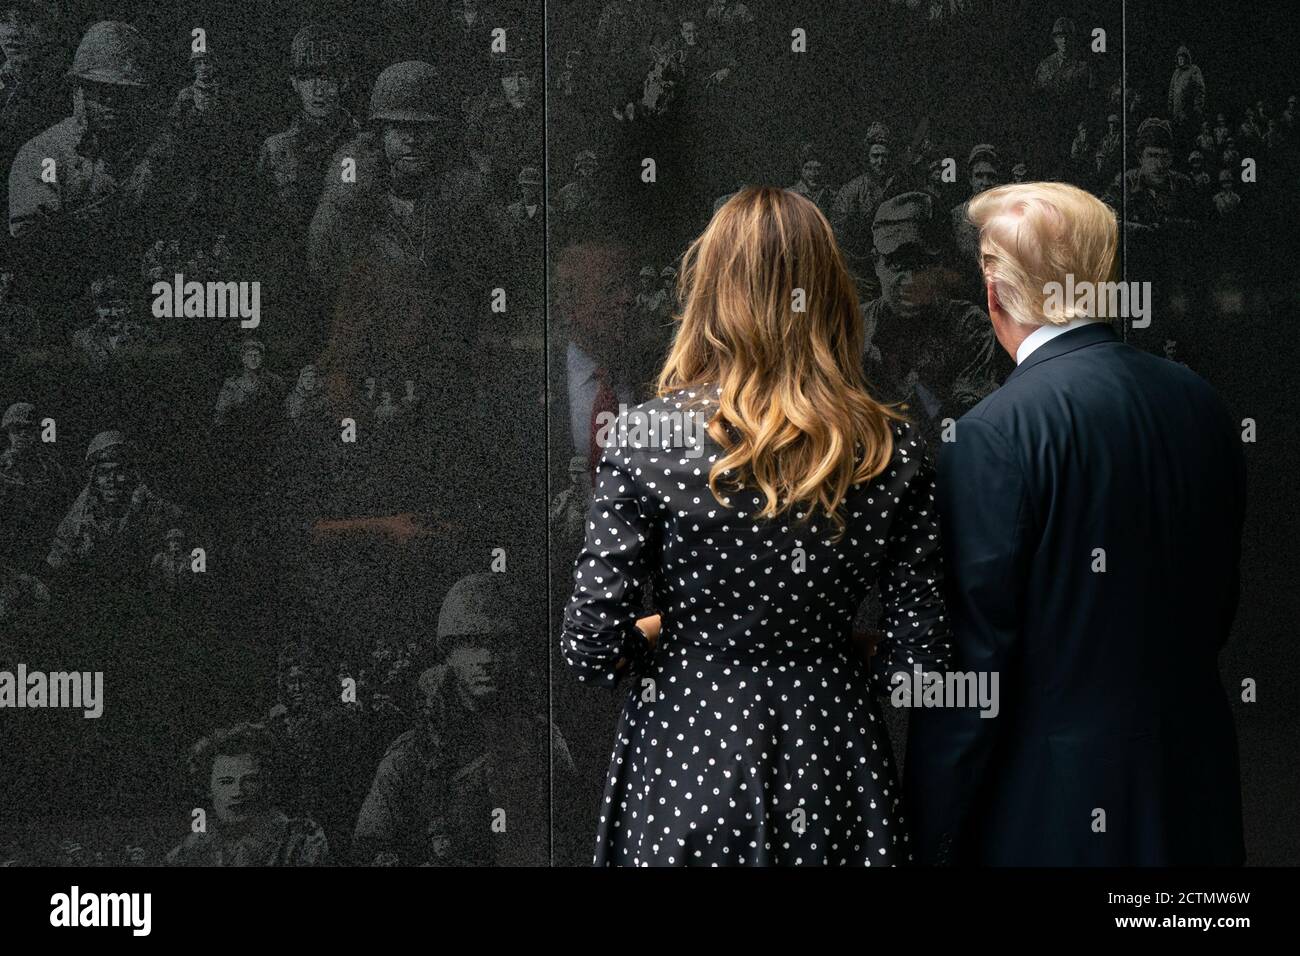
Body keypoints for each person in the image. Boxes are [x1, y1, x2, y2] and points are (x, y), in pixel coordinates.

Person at [560, 185, 951, 866]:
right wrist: (826, 645)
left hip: (685, 758)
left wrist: (671, 631)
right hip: (835, 763)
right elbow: (920, 663)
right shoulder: (892, 448)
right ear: (832, 295)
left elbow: (591, 647)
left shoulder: (645, 439)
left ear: (710, 294)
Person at [905, 182, 1246, 866]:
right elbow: (1215, 606)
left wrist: (922, 825)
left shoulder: (992, 435)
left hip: (1048, 816)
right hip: (1196, 795)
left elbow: (973, 673)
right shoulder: (1203, 404)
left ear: (994, 293)